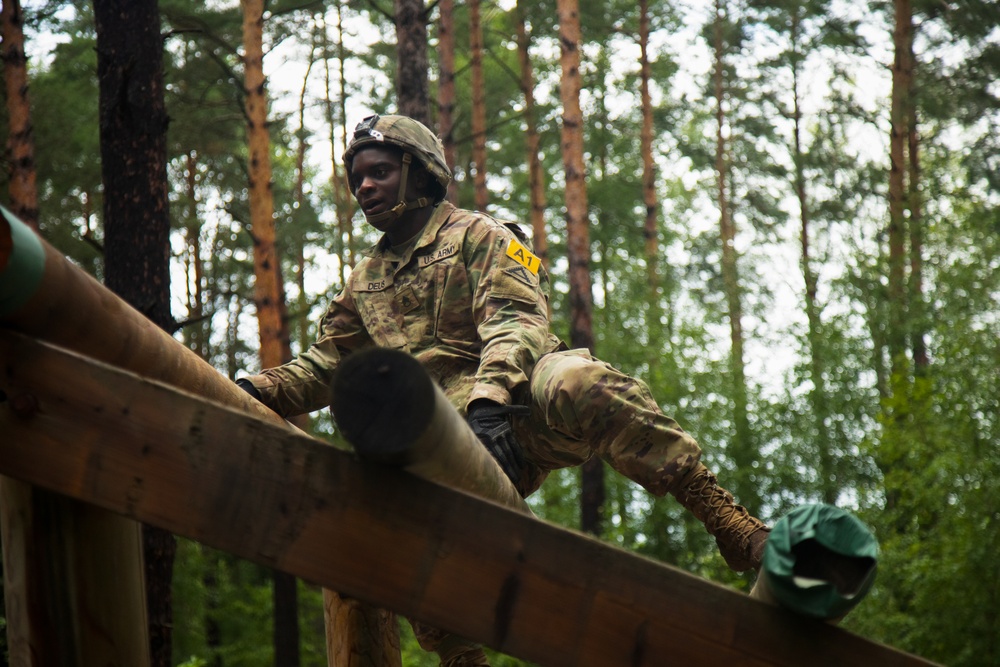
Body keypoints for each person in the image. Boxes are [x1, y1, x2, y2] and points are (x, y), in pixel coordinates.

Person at [237, 113, 769, 666]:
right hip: (442, 432)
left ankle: (728, 522)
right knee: (392, 497)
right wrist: (258, 388)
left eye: (379, 172)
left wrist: (488, 401)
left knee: (579, 380)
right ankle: (461, 658)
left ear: (418, 173)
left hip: (519, 407)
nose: (365, 187)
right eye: (357, 180)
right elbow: (329, 362)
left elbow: (516, 321)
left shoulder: (478, 235)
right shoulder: (367, 280)